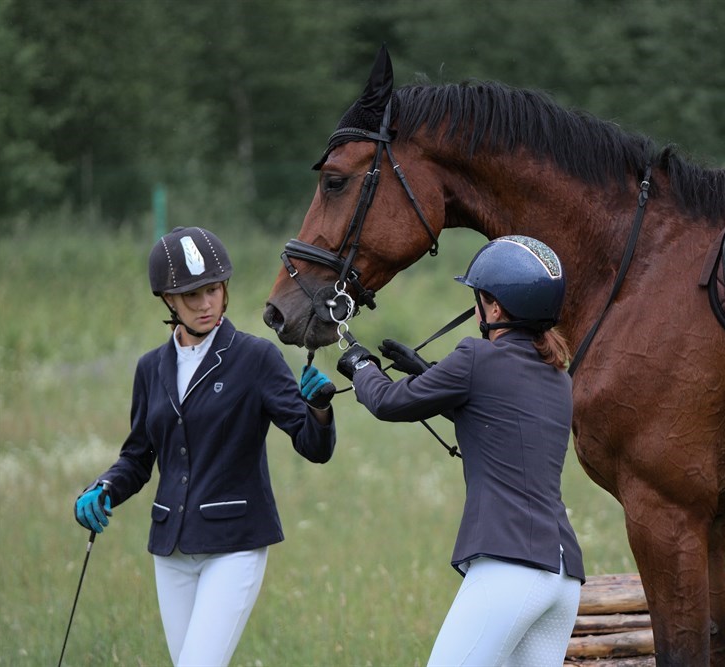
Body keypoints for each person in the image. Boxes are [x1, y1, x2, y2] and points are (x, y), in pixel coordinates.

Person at [73, 226, 337, 667]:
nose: (204, 303)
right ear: (168, 300)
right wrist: (103, 488)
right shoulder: (150, 368)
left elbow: (313, 445)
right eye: (190, 294)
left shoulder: (256, 358)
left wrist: (320, 411)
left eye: (212, 289)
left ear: (225, 288)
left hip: (234, 545)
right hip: (171, 550)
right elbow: (137, 458)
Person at [337, 235, 584, 667]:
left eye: (478, 298)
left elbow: (388, 403)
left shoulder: (475, 356)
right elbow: (498, 419)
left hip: (510, 566)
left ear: (494, 307)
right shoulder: (558, 377)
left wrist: (361, 366)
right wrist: (427, 373)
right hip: (562, 578)